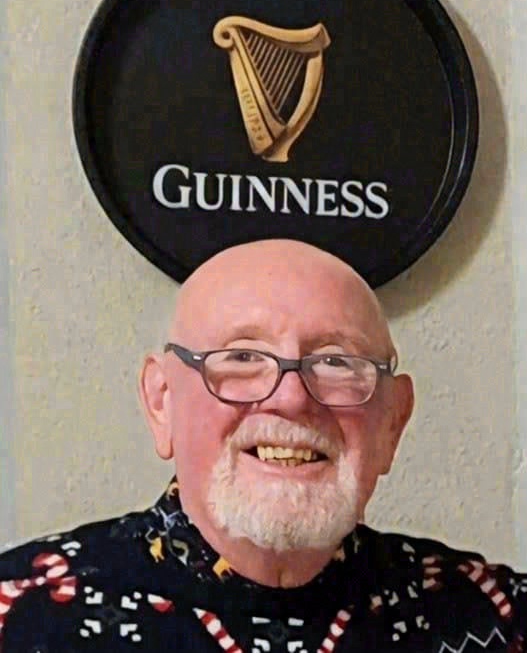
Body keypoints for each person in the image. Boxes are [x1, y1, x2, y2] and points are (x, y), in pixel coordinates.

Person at [0, 239, 525, 652]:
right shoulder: (20, 616)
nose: (292, 398)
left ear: (393, 421)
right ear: (162, 401)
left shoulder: (497, 618)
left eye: (336, 362)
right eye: (242, 357)